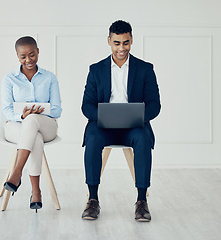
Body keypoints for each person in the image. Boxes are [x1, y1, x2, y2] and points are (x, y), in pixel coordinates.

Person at [81, 20, 161, 221]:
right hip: (103, 126)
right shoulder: (96, 70)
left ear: (131, 40)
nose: (121, 48)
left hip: (133, 126)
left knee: (143, 138)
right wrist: (105, 116)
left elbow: (154, 105)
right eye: (117, 43)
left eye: (125, 42)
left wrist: (136, 117)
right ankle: (92, 199)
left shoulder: (145, 69)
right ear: (109, 41)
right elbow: (86, 105)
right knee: (92, 137)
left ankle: (141, 201)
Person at [1, 36, 62, 212]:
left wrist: (37, 112)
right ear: (17, 56)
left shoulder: (49, 77)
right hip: (15, 127)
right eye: (23, 56)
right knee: (34, 137)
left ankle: (17, 172)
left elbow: (57, 110)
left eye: (32, 54)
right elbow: (6, 110)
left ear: (38, 52)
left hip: (47, 125)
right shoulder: (9, 79)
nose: (28, 60)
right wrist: (22, 115)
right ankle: (36, 192)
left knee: (33, 121)